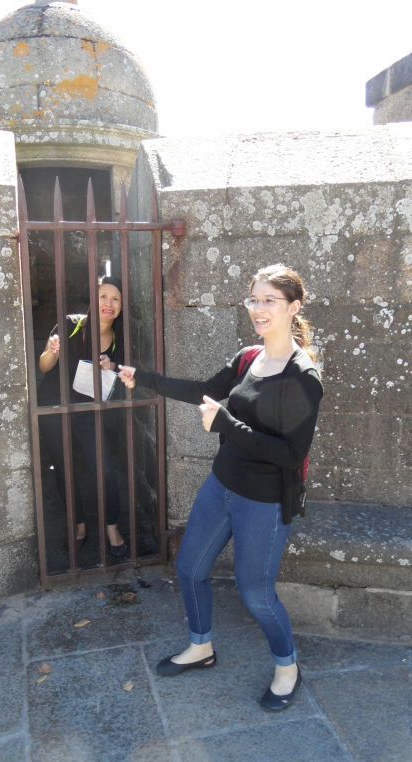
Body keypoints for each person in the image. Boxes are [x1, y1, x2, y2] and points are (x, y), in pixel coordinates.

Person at [118, 265, 323, 711]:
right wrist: (143, 377)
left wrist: (227, 423)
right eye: (254, 299)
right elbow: (204, 390)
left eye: (269, 300)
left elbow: (291, 454)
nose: (259, 308)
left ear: (294, 307)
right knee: (189, 568)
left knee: (256, 594)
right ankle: (201, 647)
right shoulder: (249, 358)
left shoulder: (303, 376)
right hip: (222, 485)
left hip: (264, 502)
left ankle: (287, 669)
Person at [38, 276, 127, 558]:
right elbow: (43, 366)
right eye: (103, 296)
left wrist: (112, 365)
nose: (109, 303)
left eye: (115, 298)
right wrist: (51, 351)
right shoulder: (70, 324)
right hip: (53, 405)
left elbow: (122, 376)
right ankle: (78, 524)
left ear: (121, 306)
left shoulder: (119, 338)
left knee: (104, 468)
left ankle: (112, 527)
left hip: (88, 408)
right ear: (92, 299)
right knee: (64, 468)